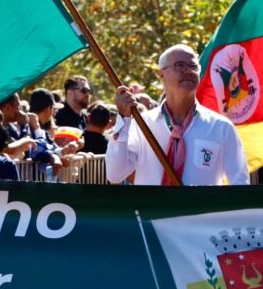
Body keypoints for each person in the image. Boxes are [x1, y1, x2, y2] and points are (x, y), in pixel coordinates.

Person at [106, 44, 249, 186]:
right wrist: (123, 120)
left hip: (201, 209)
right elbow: (115, 174)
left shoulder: (221, 127)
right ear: (161, 74)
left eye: (193, 66)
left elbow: (240, 182)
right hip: (151, 208)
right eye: (180, 65)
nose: (188, 71)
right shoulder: (141, 124)